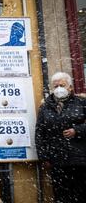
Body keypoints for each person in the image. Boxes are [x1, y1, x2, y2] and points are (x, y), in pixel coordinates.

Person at [35, 72, 86, 203]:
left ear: (70, 87)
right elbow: (40, 133)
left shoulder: (81, 103)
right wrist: (44, 156)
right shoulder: (46, 107)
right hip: (57, 159)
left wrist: (77, 130)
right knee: (61, 194)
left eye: (62, 85)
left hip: (79, 159)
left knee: (80, 192)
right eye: (56, 86)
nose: (59, 89)